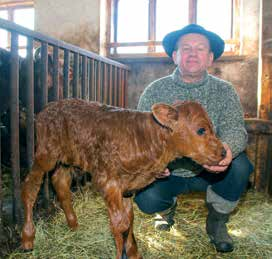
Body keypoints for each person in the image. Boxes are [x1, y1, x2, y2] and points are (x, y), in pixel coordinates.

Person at [134, 24, 253, 253]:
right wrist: (152, 163)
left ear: (209, 58)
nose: (192, 53)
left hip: (210, 170)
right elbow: (142, 135)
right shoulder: (154, 91)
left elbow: (236, 130)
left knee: (240, 166)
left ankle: (217, 221)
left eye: (199, 49)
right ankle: (166, 211)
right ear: (175, 56)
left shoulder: (224, 91)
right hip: (169, 173)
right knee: (146, 199)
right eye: (185, 48)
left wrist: (227, 150)